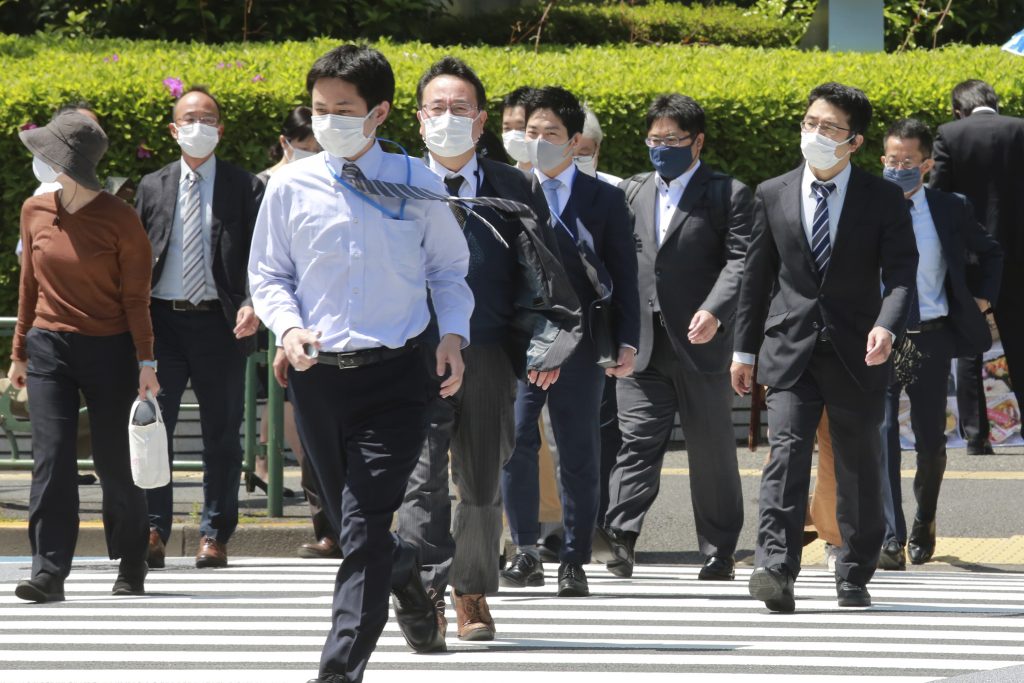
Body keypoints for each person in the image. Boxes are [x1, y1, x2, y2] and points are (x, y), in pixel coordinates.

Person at [249, 44, 473, 682]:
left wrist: (452, 335)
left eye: (341, 109)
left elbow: (448, 270)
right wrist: (288, 330)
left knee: (366, 520)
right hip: (319, 380)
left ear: (378, 112)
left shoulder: (416, 181)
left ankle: (339, 669)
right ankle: (403, 571)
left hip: (399, 376)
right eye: (319, 109)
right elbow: (268, 275)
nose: (327, 121)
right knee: (362, 534)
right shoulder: (289, 186)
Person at [396, 56, 581, 644]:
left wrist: (545, 347)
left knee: (479, 480)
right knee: (419, 479)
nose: (448, 118)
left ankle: (470, 590)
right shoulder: (392, 181)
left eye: (461, 109)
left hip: (488, 351)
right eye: (437, 108)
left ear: (481, 122)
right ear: (419, 118)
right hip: (408, 351)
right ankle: (426, 586)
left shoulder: (515, 184)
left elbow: (543, 275)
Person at [731, 82, 918, 612]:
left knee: (857, 460)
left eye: (830, 128)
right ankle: (776, 567)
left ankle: (854, 570)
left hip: (860, 349)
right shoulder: (772, 192)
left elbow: (902, 273)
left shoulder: (881, 197)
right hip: (790, 346)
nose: (814, 134)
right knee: (785, 456)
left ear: (854, 142)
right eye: (810, 123)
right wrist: (743, 352)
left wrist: (886, 325)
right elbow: (755, 279)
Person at [595, 93, 752, 581]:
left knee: (710, 449)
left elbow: (741, 260)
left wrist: (715, 309)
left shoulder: (728, 193)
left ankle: (719, 548)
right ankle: (621, 537)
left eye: (672, 140)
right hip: (640, 341)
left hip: (700, 341)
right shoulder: (633, 190)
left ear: (697, 141)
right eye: (654, 139)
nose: (661, 148)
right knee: (637, 440)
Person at [10, 111, 160, 602]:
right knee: (50, 460)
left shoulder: (122, 220)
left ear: (65, 161)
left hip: (110, 348)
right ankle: (48, 570)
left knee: (115, 464)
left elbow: (137, 298)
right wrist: (18, 354)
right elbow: (28, 285)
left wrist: (146, 363)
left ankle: (133, 558)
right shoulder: (34, 211)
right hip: (48, 346)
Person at [501, 86, 639, 599]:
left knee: (579, 448)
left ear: (575, 140)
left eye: (551, 134)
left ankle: (575, 556)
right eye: (530, 132)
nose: (538, 142)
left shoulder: (604, 197)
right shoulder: (509, 189)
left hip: (581, 341)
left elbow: (625, 274)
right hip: (519, 342)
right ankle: (526, 550)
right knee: (516, 442)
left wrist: (626, 340)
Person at [135, 85, 264, 569]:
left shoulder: (246, 187)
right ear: (173, 129)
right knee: (153, 430)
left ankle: (215, 533)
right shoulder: (153, 186)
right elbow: (134, 260)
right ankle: (153, 529)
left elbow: (263, 257)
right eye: (189, 119)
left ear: (221, 129)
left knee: (223, 435)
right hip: (161, 324)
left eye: (208, 119)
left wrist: (254, 304)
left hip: (221, 324)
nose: (198, 127)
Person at [875, 119, 1002, 569]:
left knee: (930, 442)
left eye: (907, 161)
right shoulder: (866, 205)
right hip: (881, 338)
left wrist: (984, 297)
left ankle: (923, 520)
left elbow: (990, 251)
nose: (897, 168)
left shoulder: (950, 207)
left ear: (926, 165)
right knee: (883, 433)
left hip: (929, 336)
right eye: (891, 160)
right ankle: (890, 535)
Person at [252, 106, 338, 559]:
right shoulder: (269, 186)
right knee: (308, 427)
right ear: (286, 143)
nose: (315, 153)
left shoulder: (340, 178)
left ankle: (351, 526)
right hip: (291, 323)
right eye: (307, 145)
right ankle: (326, 526)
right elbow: (265, 266)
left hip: (340, 321)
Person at [930, 79, 1024, 452]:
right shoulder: (1020, 129)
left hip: (970, 258)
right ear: (994, 102)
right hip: (1019, 257)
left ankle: (975, 435)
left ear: (958, 108)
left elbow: (938, 194)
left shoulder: (949, 134)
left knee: (969, 346)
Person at [576, 106, 623, 185]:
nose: (573, 162)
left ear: (597, 150)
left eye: (583, 155)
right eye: (566, 154)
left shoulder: (617, 187)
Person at [500, 86, 535, 170]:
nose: (513, 136)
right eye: (507, 128)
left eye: (522, 128)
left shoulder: (564, 178)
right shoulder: (503, 180)